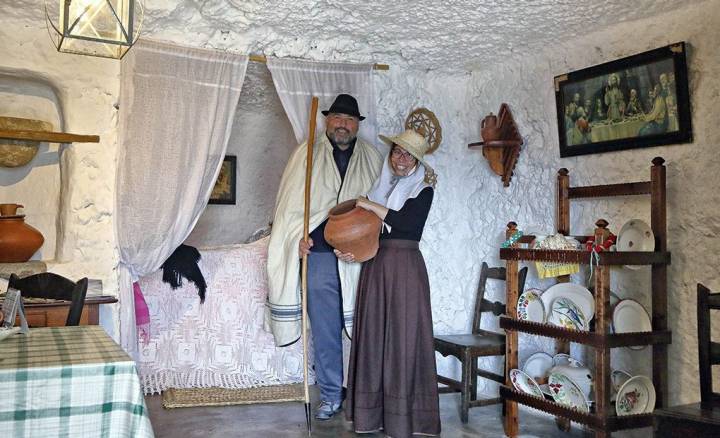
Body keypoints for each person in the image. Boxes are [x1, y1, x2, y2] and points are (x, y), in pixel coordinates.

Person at [266, 94, 383, 420]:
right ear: (327, 121)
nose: (343, 124)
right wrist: (296, 241)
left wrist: (363, 244)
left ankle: (366, 394)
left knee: (369, 326)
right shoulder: (306, 155)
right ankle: (332, 394)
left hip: (360, 259)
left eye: (349, 119)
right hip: (319, 256)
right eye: (337, 118)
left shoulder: (372, 159)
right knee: (326, 329)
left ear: (358, 124)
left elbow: (382, 210)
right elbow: (289, 210)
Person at [341, 129, 441, 437]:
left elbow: (406, 223)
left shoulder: (424, 189)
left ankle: (402, 419)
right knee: (374, 335)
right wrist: (350, 250)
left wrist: (368, 205)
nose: (400, 158)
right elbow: (366, 231)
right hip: (376, 265)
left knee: (403, 337)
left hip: (405, 269)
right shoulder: (380, 188)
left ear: (417, 161)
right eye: (397, 152)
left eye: (408, 154)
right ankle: (372, 416)